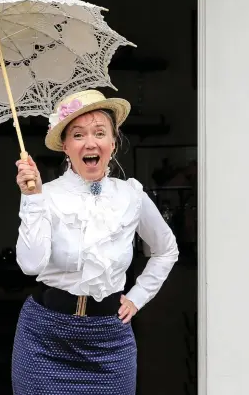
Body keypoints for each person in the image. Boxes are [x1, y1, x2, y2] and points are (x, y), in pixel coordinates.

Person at [12, 89, 179, 395]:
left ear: (113, 143)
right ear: (66, 146)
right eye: (78, 134)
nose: (90, 142)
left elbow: (166, 250)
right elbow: (29, 265)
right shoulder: (45, 195)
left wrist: (138, 297)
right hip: (45, 335)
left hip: (109, 339)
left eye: (99, 133)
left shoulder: (131, 196)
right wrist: (32, 199)